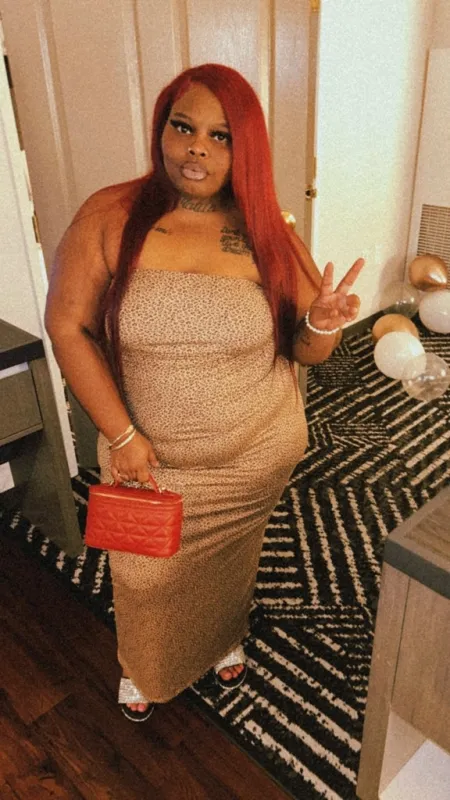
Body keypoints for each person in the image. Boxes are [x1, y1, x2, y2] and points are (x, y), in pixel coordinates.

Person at [45, 63, 364, 722]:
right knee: (144, 575)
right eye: (183, 127)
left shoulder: (268, 228)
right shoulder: (109, 215)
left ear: (246, 149)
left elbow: (306, 350)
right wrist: (122, 435)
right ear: (161, 128)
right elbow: (67, 326)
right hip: (146, 459)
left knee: (228, 561)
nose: (196, 149)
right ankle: (145, 664)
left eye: (221, 137)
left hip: (254, 453)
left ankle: (221, 635)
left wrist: (321, 322)